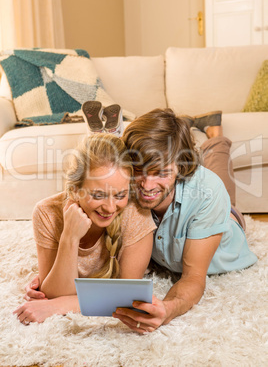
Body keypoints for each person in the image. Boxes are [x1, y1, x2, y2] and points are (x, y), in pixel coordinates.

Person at [21, 107, 258, 333]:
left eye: (160, 173)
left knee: (219, 178)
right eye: (138, 170)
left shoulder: (207, 193)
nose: (145, 185)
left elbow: (193, 277)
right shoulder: (122, 188)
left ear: (181, 167)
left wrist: (168, 309)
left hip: (222, 225)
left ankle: (215, 135)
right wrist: (56, 268)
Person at [13, 133, 155, 324]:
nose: (111, 208)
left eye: (120, 194)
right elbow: (53, 293)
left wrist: (59, 306)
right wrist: (69, 237)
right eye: (98, 195)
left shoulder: (136, 212)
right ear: (74, 190)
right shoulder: (46, 212)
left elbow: (127, 297)